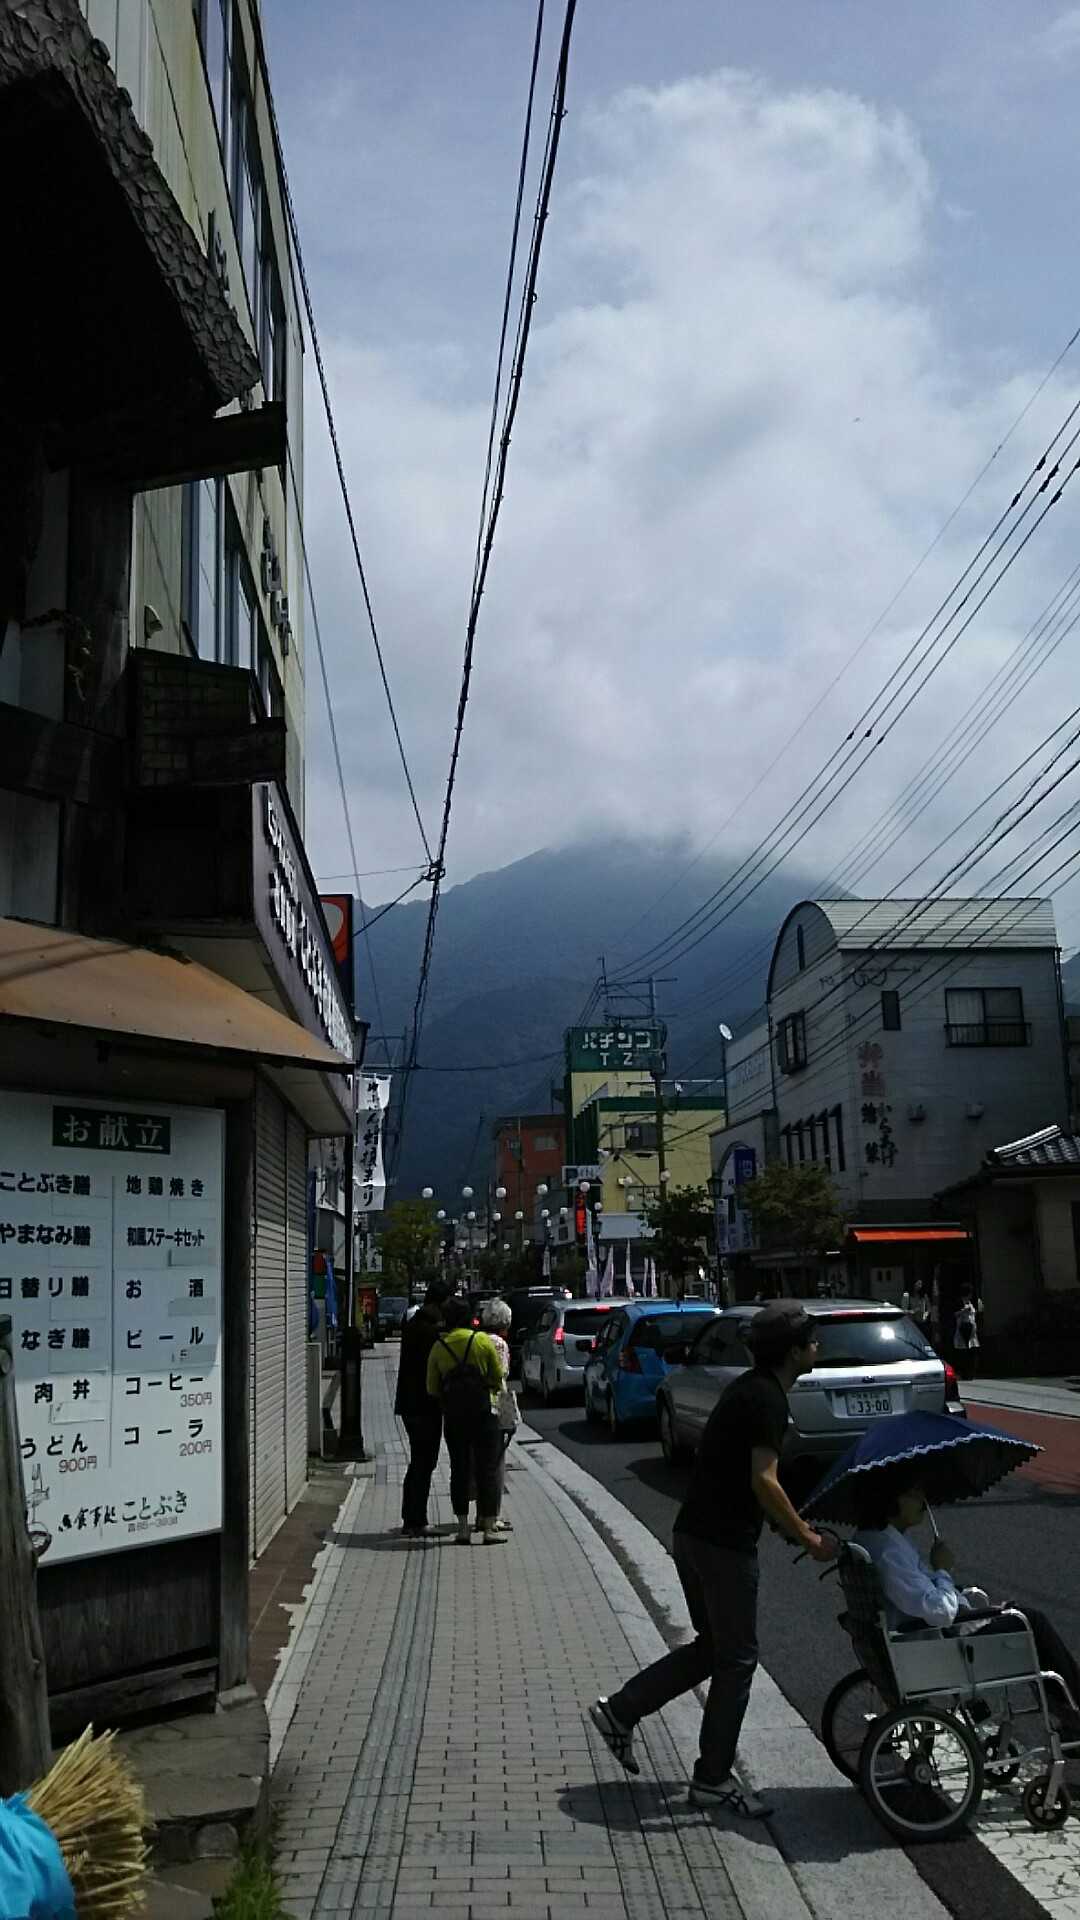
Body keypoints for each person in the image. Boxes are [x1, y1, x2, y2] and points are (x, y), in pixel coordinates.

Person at [588, 1303, 836, 1818]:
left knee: (713, 1649)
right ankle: (712, 1778)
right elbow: (763, 1479)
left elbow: (739, 1474)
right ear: (793, 1351)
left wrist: (781, 1524)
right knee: (738, 1658)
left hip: (694, 1533)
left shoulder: (750, 1388)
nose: (818, 1347)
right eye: (812, 1341)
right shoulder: (767, 1398)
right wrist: (806, 1536)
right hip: (723, 1544)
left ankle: (621, 1711)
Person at [854, 1480, 1080, 1737]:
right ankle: (1072, 1712)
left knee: (1014, 1616)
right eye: (913, 1493)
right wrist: (942, 1570)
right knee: (1031, 1622)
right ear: (891, 1501)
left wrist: (947, 1583)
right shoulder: (889, 1551)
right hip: (935, 1645)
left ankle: (1066, 1709)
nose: (922, 1500)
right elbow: (939, 1610)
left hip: (924, 1635)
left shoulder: (874, 1539)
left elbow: (924, 1593)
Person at [426, 1294, 506, 1546]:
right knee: (487, 1469)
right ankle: (489, 1528)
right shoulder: (481, 1341)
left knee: (459, 1469)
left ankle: (462, 1528)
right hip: (484, 1414)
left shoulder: (439, 1347)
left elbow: (432, 1388)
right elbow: (496, 1377)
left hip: (454, 1417)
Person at [394, 1278, 452, 1537]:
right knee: (424, 1461)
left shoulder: (413, 1324)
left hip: (409, 1403)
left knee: (419, 1460)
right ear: (440, 1304)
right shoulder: (429, 1332)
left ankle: (411, 1518)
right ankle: (416, 1521)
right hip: (424, 1404)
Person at [479, 1298, 518, 1533]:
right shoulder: (500, 1345)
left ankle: (480, 1514)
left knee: (479, 1463)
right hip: (495, 1405)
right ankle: (492, 1515)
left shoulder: (478, 1339)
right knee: (495, 1463)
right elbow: (501, 1375)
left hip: (475, 1405)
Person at [952, 1287, 983, 1381]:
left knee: (972, 1352)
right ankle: (963, 1373)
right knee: (963, 1353)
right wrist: (964, 1311)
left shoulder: (971, 1303)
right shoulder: (959, 1303)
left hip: (972, 1331)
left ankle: (971, 1373)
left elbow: (973, 1316)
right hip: (962, 1330)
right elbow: (955, 1314)